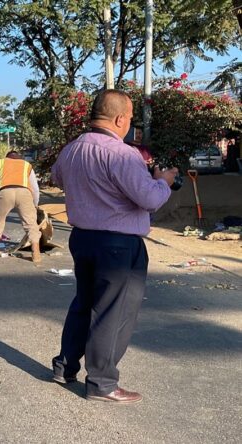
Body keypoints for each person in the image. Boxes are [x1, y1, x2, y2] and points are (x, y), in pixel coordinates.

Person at [50, 89, 177, 404]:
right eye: (131, 117)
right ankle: (102, 383)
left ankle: (65, 367)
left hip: (83, 238)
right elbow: (148, 199)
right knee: (113, 311)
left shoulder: (72, 149)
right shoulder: (122, 153)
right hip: (118, 245)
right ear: (120, 119)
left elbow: (58, 179)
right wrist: (163, 182)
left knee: (84, 303)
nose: (130, 123)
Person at [0, 151, 41, 262]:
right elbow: (35, 188)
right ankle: (36, 254)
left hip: (4, 192)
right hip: (24, 193)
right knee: (31, 223)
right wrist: (35, 205)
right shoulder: (26, 165)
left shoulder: (0, 162)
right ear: (19, 158)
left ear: (7, 158)